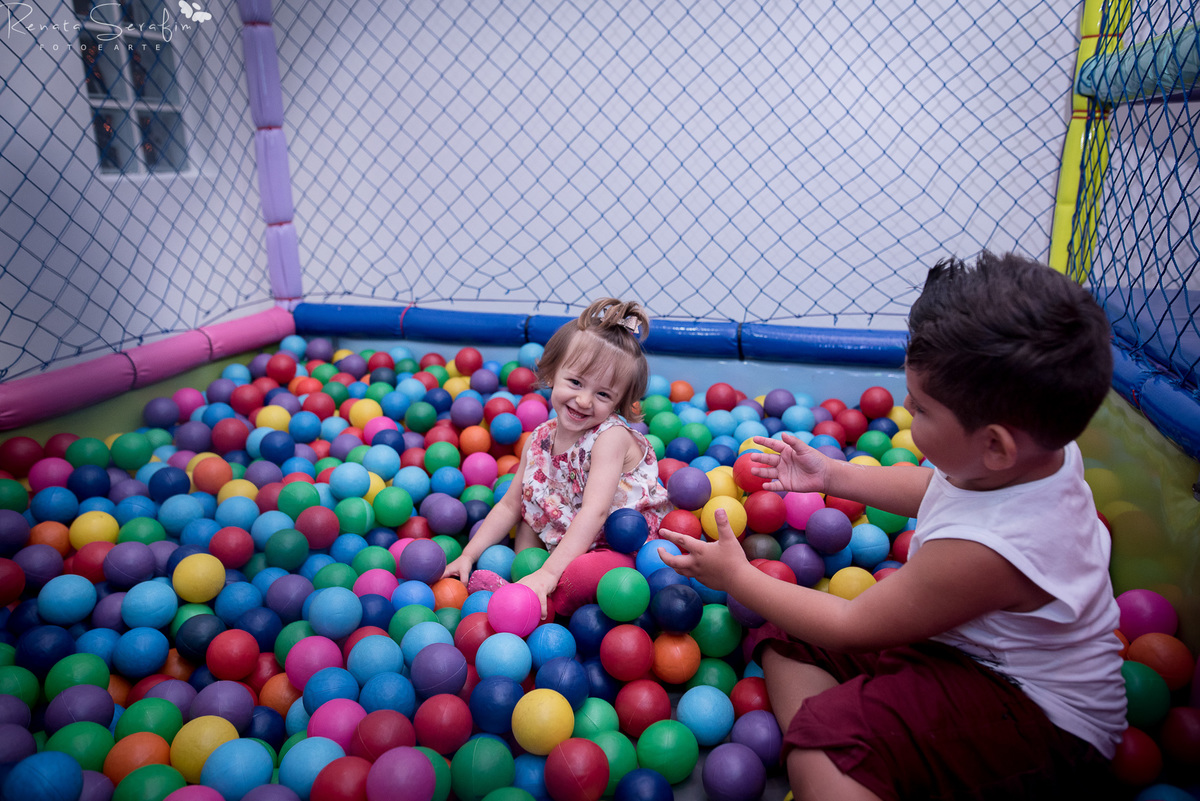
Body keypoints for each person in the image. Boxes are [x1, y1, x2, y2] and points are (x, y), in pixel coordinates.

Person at [659, 252, 1126, 801]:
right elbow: (939, 490)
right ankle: (877, 743)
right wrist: (831, 473)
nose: (905, 407)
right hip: (956, 653)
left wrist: (737, 577)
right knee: (785, 630)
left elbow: (853, 624)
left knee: (823, 747)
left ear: (996, 444)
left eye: (923, 410)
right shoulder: (1037, 451)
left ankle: (845, 748)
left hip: (1036, 718)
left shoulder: (990, 551)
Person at [444, 297, 672, 618]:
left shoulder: (610, 437)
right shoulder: (539, 439)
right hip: (567, 532)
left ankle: (540, 607)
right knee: (528, 519)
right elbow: (510, 505)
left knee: (584, 575)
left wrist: (549, 574)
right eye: (576, 382)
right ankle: (525, 586)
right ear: (552, 372)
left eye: (603, 394)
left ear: (619, 402)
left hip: (620, 543)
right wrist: (468, 555)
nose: (583, 400)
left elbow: (594, 514)